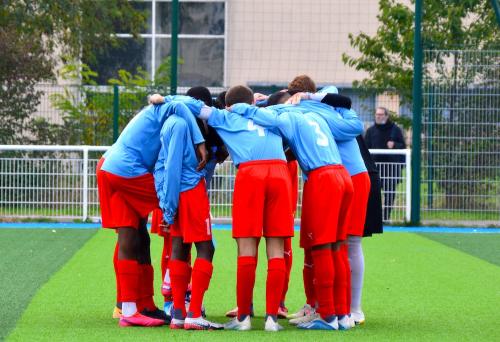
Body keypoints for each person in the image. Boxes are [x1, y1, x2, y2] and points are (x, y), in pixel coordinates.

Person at [150, 86, 294, 332]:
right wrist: (264, 100)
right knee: (277, 248)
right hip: (280, 173)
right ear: (252, 101)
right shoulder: (272, 114)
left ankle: (243, 318)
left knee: (247, 247)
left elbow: (194, 106)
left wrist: (165, 98)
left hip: (251, 174)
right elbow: (285, 106)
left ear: (227, 104)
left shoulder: (225, 117)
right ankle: (272, 318)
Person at [231, 91, 359, 330]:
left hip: (323, 179)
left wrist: (239, 107)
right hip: (343, 176)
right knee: (338, 248)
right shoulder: (317, 114)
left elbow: (263, 116)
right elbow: (353, 125)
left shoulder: (288, 116)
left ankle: (328, 316)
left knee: (320, 248)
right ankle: (343, 315)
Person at [96, 97, 206, 327]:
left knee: (137, 234)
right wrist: (200, 141)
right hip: (124, 168)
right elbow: (182, 105)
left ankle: (142, 304)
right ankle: (138, 303)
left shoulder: (166, 113)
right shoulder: (173, 108)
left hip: (112, 165)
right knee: (176, 204)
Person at [153, 110, 222, 330]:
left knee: (179, 247)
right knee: (206, 248)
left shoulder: (168, 122)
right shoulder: (182, 124)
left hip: (177, 193)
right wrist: (169, 206)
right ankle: (193, 312)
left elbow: (164, 165)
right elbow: (172, 166)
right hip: (190, 191)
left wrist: (167, 202)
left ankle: (178, 314)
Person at [364, 107, 406, 221]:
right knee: (373, 194)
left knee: (389, 193)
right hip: (375, 169)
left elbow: (403, 146)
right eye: (377, 114)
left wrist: (394, 145)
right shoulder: (370, 131)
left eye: (381, 114)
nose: (378, 116)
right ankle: (375, 218)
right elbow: (365, 149)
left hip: (392, 168)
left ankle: (386, 217)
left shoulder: (395, 130)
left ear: (386, 116)